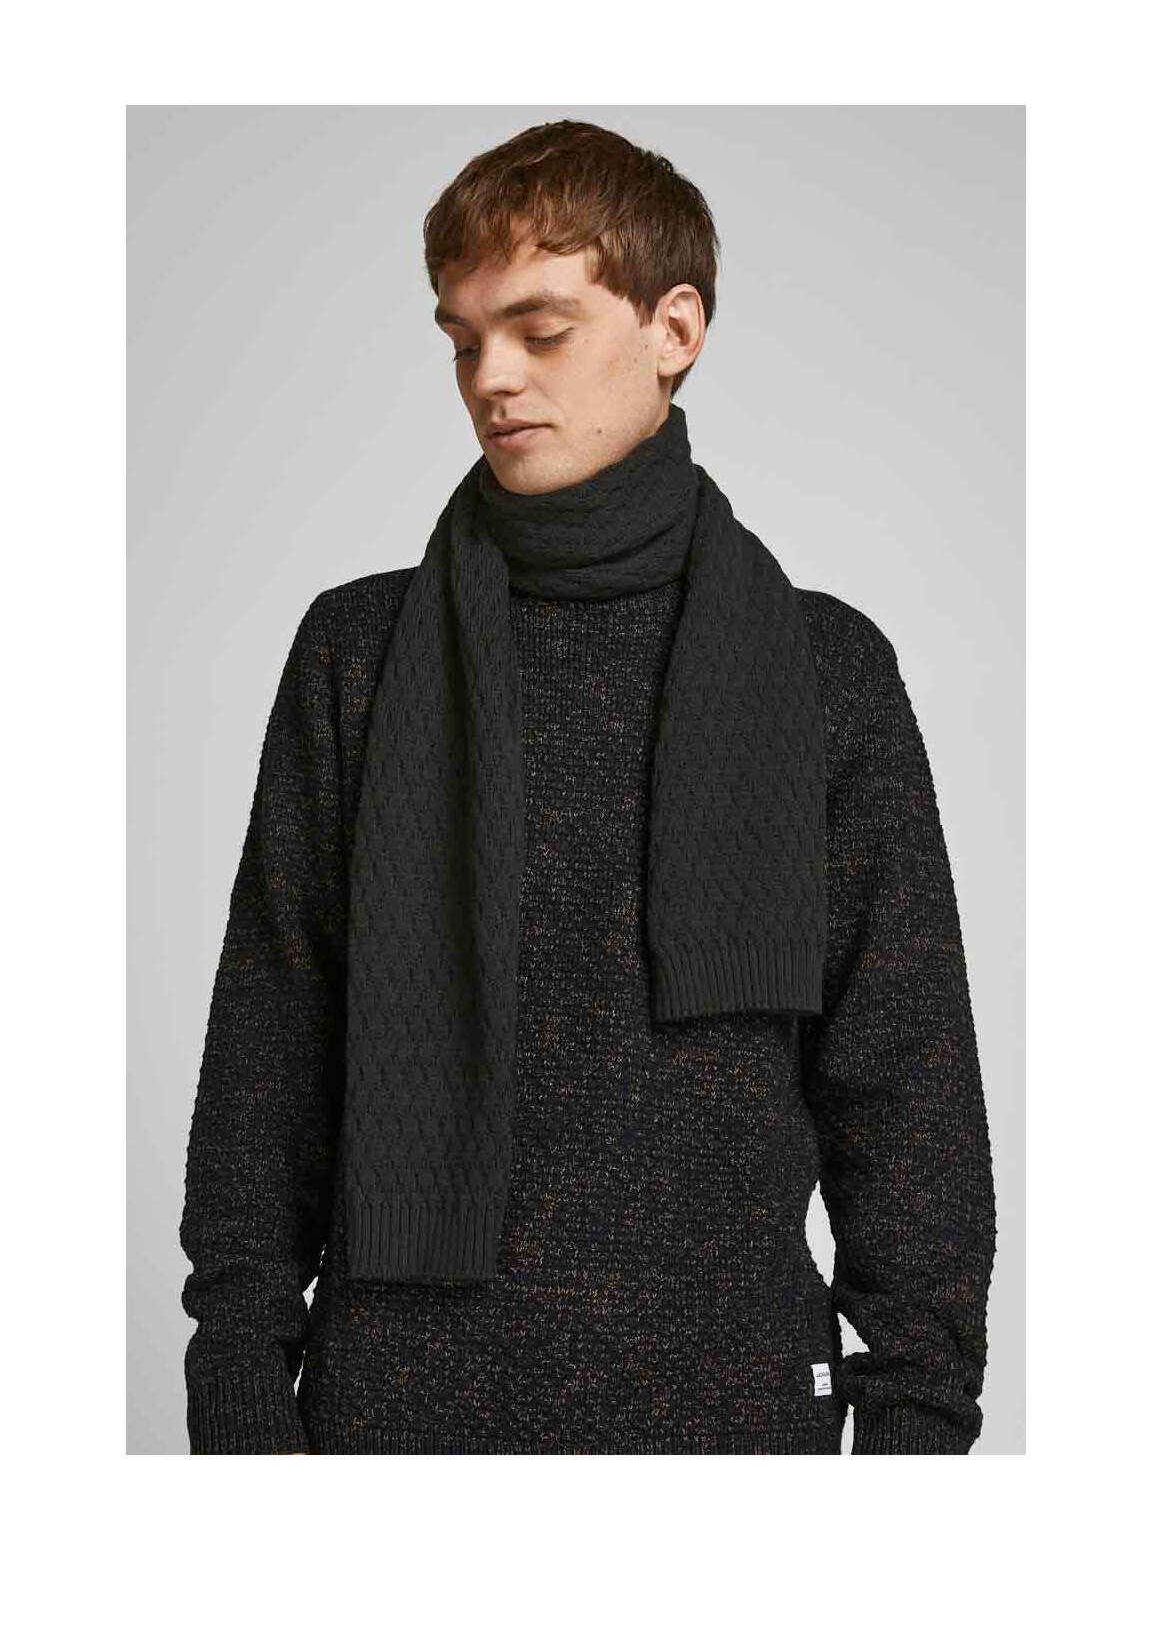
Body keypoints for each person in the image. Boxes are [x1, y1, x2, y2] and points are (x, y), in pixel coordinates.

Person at [178, 118, 997, 1455]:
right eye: (463, 341)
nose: (490, 378)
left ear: (675, 328)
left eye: (540, 330)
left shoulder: (823, 668)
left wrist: (915, 1431)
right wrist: (239, 1408)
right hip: (395, 1426)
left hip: (735, 1433)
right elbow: (270, 1061)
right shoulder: (359, 655)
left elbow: (908, 1093)